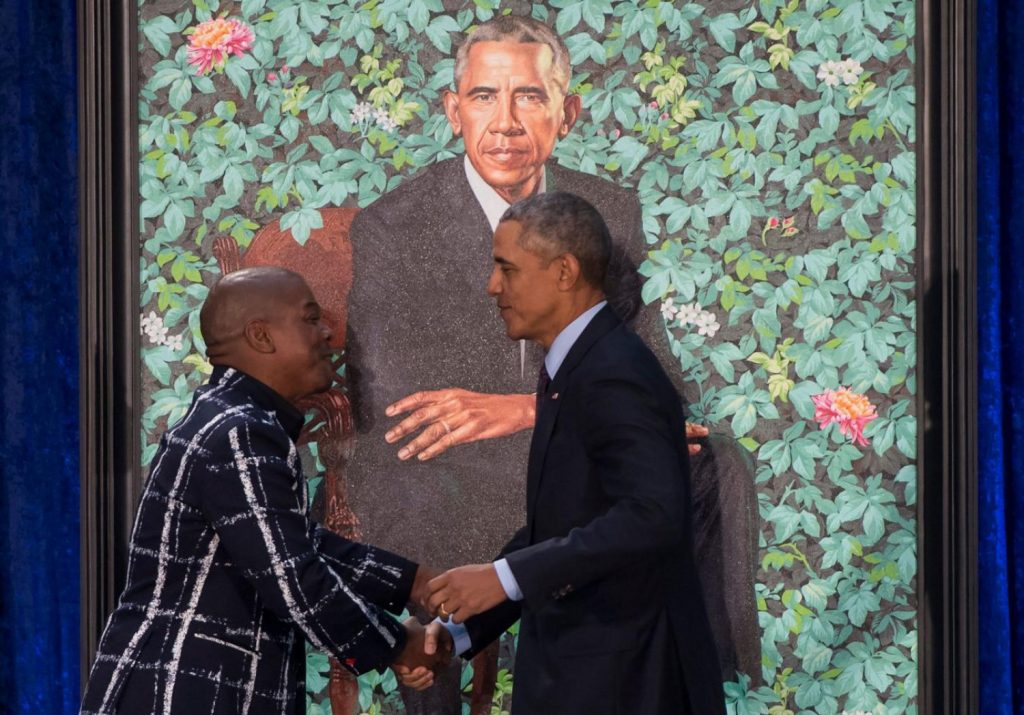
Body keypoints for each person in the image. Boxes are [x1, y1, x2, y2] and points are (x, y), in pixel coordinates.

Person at [80, 267, 449, 715]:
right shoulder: (239, 432)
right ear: (260, 336)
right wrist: (397, 645)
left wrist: (413, 583)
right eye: (310, 319)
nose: (328, 333)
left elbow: (297, 544)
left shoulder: (230, 420)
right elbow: (293, 578)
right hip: (179, 694)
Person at [419, 192, 725, 713]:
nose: (492, 286)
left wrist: (504, 578)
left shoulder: (613, 371)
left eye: (507, 269)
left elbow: (652, 517)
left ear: (564, 272)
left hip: (627, 685)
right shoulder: (580, 365)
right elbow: (568, 523)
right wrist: (460, 628)